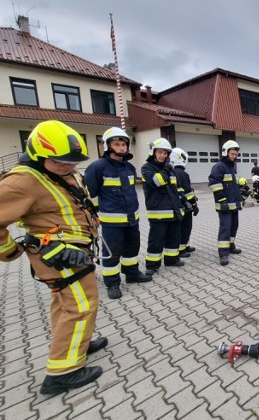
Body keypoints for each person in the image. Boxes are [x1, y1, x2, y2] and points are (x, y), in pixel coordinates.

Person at [0, 120, 106, 395]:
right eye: (62, 162)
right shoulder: (23, 181)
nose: (69, 166)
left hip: (72, 252)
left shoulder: (58, 171)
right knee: (81, 307)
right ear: (38, 153)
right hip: (61, 256)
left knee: (64, 304)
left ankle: (77, 343)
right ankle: (63, 372)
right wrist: (9, 251)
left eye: (73, 161)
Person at [84, 127, 152, 300]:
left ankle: (131, 274)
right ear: (108, 146)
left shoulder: (129, 167)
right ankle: (112, 283)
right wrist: (94, 215)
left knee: (131, 249)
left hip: (132, 220)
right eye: (117, 144)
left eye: (124, 144)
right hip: (111, 223)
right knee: (112, 253)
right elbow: (90, 195)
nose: (122, 148)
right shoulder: (97, 167)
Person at [141, 138, 187, 273]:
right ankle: (152, 265)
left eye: (165, 153)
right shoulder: (147, 168)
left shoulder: (170, 170)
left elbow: (177, 188)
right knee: (157, 240)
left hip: (173, 211)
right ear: (154, 152)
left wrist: (184, 201)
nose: (163, 156)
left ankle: (171, 259)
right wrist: (166, 170)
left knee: (174, 238)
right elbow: (157, 182)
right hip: (158, 213)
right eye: (160, 152)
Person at [209, 140, 243, 265]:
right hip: (224, 206)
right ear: (225, 153)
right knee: (225, 228)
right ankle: (223, 253)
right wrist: (222, 201)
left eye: (235, 154)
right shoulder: (219, 166)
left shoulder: (231, 167)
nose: (234, 156)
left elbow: (232, 187)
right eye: (232, 154)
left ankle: (231, 246)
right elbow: (214, 184)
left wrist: (240, 198)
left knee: (234, 226)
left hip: (233, 205)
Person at [170, 147, 199, 258]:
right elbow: (188, 193)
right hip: (185, 207)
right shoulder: (182, 174)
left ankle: (186, 245)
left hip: (177, 206)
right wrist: (195, 205)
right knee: (186, 227)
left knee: (182, 227)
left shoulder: (172, 172)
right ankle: (181, 249)